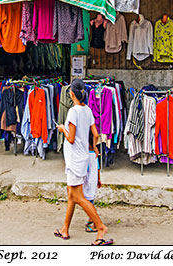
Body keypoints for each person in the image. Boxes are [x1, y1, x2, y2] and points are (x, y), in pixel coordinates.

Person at [53, 79, 114, 246]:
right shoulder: (87, 110)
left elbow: (71, 138)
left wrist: (62, 129)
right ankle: (65, 229)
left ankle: (100, 227)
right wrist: (94, 146)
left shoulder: (73, 111)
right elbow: (95, 133)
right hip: (82, 157)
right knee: (71, 196)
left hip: (74, 159)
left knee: (78, 197)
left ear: (72, 94)